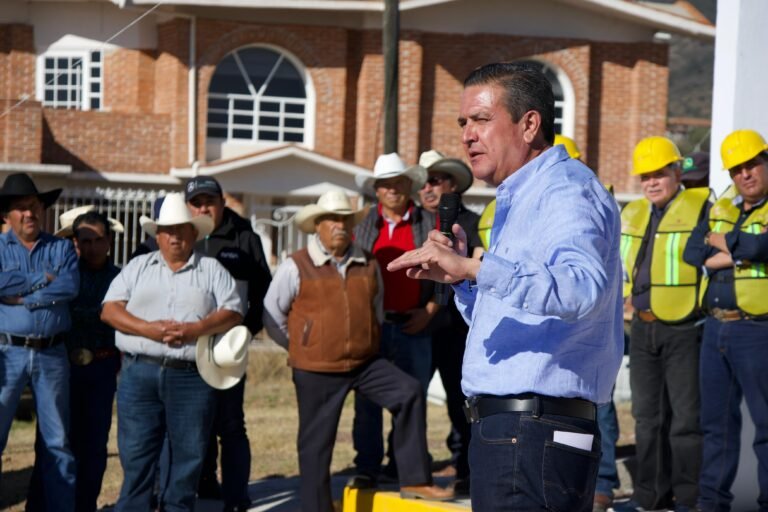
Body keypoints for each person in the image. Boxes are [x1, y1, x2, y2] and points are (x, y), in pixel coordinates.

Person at [387, 62, 624, 512]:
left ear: (529, 123)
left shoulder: (564, 191)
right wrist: (463, 280)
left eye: (480, 119)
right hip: (517, 431)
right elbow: (519, 316)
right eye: (462, 123)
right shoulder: (522, 197)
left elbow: (580, 289)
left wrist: (478, 269)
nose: (467, 135)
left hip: (535, 430)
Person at [262, 189, 452, 511]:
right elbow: (271, 314)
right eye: (332, 220)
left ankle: (415, 479)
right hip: (317, 368)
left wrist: (367, 340)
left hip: (364, 364)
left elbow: (375, 310)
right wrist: (302, 349)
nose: (339, 225)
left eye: (344, 219)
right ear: (317, 226)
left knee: (408, 392)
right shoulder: (296, 266)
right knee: (316, 445)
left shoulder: (367, 262)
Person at [101, 192, 244, 511]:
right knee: (136, 453)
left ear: (194, 232)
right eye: (168, 229)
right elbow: (109, 310)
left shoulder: (212, 269)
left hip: (191, 376)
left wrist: (194, 330)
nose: (175, 235)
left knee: (189, 457)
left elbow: (234, 312)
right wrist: (146, 328)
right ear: (158, 235)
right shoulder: (138, 266)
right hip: (139, 372)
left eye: (182, 228)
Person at [620, 136, 709, 512]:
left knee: (685, 422)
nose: (652, 182)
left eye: (660, 174)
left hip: (684, 328)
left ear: (677, 173)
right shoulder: (635, 212)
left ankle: (687, 500)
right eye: (646, 176)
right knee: (647, 419)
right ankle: (648, 497)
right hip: (641, 327)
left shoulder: (701, 207)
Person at [683, 129, 768, 512]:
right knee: (716, 427)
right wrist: (739, 247)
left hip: (757, 331)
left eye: (752, 164)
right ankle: (711, 504)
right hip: (715, 327)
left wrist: (724, 244)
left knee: (766, 429)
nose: (745, 174)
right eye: (736, 170)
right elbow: (691, 252)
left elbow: (762, 247)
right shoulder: (722, 208)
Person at [184, 176, 272, 511]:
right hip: (186, 347)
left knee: (231, 424)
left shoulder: (245, 236)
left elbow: (264, 291)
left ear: (222, 203)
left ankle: (237, 499)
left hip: (226, 348)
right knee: (191, 422)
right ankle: (203, 486)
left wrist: (245, 333)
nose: (203, 207)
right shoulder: (181, 235)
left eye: (210, 201)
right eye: (197, 202)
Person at [27, 207, 123, 512]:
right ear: (75, 243)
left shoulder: (122, 279)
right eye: (85, 241)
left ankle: (84, 507)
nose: (91, 247)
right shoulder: (62, 276)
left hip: (102, 369)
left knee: (94, 447)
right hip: (60, 368)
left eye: (97, 240)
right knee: (51, 444)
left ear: (108, 241)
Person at [351, 152, 436, 482]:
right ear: (377, 190)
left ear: (408, 185)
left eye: (397, 183)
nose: (392, 190)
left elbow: (448, 273)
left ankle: (403, 468)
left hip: (416, 325)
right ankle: (367, 468)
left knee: (413, 399)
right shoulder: (362, 225)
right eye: (385, 185)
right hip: (373, 326)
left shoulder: (428, 224)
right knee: (367, 402)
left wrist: (430, 311)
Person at [0, 173, 79, 511]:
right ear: (8, 215)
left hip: (52, 354)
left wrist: (24, 298)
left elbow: (69, 286)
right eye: (21, 208)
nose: (29, 214)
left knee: (57, 442)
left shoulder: (61, 247)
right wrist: (39, 279)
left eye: (33, 206)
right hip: (7, 351)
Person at [417, 149, 482, 494]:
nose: (427, 188)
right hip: (415, 328)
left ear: (452, 185)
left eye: (435, 180)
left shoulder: (473, 224)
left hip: (459, 328)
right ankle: (408, 464)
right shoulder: (416, 222)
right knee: (411, 398)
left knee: (462, 399)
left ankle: (467, 465)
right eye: (422, 182)